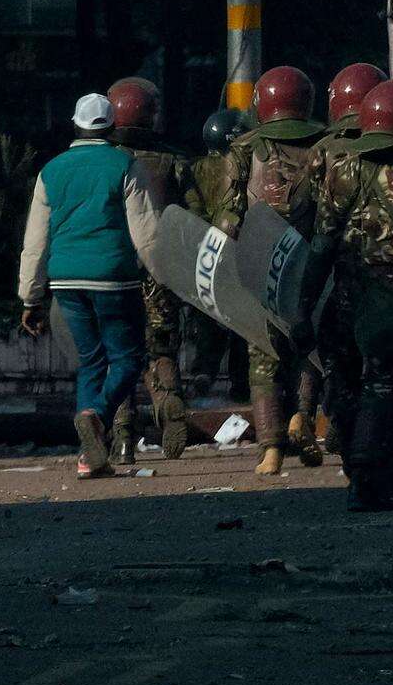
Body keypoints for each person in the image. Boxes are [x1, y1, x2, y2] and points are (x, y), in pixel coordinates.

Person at [16, 92, 166, 479]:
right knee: (128, 359)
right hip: (114, 277)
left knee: (91, 361)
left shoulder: (51, 171)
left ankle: (89, 457)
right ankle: (97, 416)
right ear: (112, 125)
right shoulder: (124, 164)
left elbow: (36, 241)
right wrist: (165, 277)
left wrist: (30, 297)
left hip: (66, 280)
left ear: (75, 124)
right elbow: (146, 233)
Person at [304, 80, 393, 513]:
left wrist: (304, 304)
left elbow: (323, 242)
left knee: (343, 382)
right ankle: (367, 474)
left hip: (345, 291)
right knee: (383, 384)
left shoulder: (342, 166)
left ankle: (386, 473)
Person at [221, 65, 329, 476]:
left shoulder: (245, 148)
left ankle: (271, 449)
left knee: (263, 355)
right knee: (308, 347)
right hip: (311, 263)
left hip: (261, 263)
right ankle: (303, 414)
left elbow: (229, 217)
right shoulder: (325, 145)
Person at [105, 77, 184, 462]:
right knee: (162, 348)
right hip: (160, 270)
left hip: (114, 272)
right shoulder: (171, 161)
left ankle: (122, 438)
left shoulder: (101, 161)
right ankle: (170, 413)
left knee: (117, 353)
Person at [182, 106, 253, 403]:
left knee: (206, 321)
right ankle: (241, 382)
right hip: (240, 255)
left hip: (205, 257)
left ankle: (203, 373)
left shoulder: (193, 169)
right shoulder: (246, 168)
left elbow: (189, 211)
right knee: (244, 325)